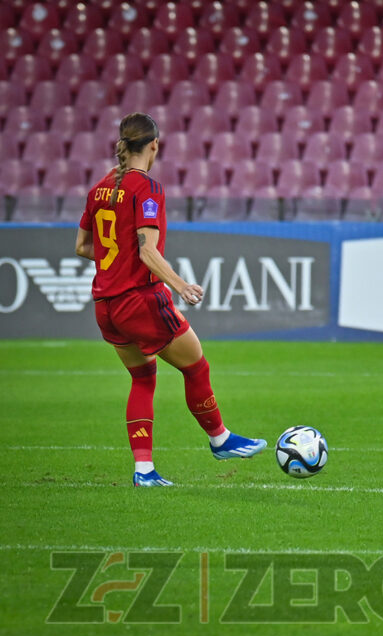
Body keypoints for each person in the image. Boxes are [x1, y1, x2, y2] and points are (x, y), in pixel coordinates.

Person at [74, 112, 266, 487]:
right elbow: (147, 252)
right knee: (197, 367)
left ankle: (143, 471)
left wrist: (117, 263)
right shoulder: (147, 188)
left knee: (143, 379)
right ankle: (220, 439)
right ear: (154, 146)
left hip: (106, 307)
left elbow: (82, 246)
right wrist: (180, 285)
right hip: (140, 301)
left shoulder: (98, 188)